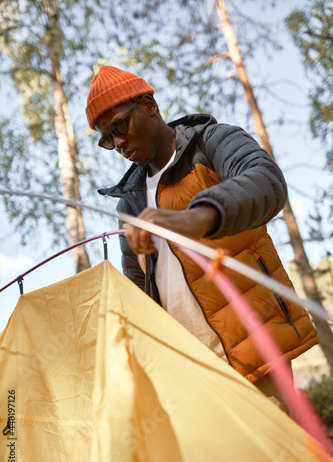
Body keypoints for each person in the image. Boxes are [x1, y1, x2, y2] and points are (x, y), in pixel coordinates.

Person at [86, 65, 319, 407]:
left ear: (149, 105)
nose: (118, 142)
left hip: (259, 352)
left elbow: (266, 180)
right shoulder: (130, 204)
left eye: (120, 125)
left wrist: (198, 217)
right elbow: (137, 293)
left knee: (291, 457)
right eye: (107, 138)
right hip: (194, 379)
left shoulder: (212, 142)